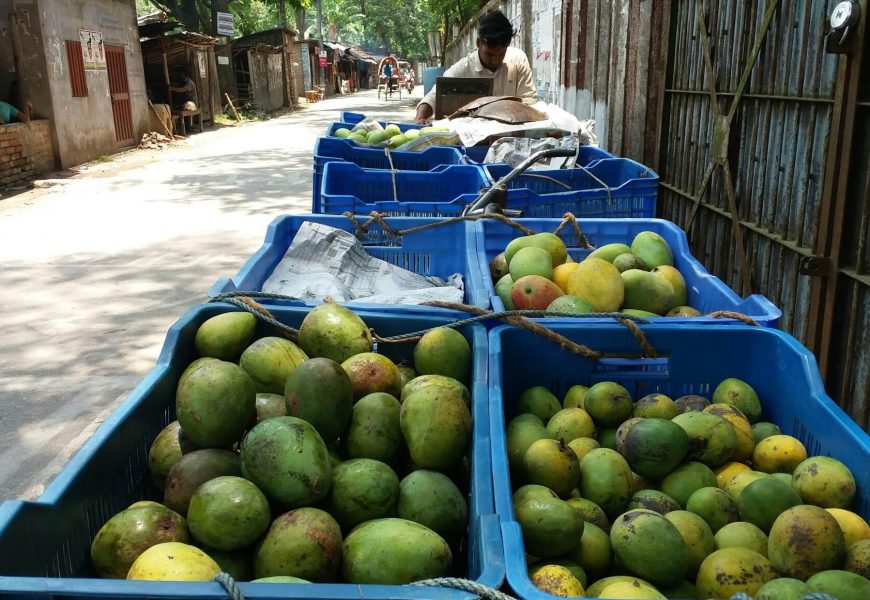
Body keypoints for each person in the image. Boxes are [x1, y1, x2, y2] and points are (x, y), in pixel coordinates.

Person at [415, 10, 538, 124]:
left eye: (501, 54)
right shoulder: (462, 69)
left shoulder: (518, 60)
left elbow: (529, 100)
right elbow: (433, 98)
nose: (495, 60)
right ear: (478, 43)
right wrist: (420, 119)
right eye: (489, 54)